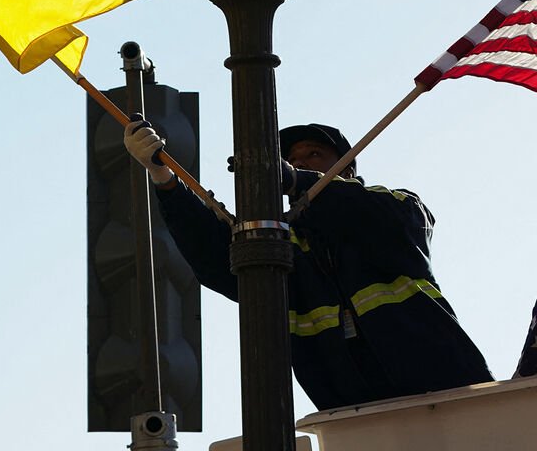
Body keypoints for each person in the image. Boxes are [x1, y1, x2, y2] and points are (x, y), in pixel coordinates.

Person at [124, 119, 493, 409]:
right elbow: (215, 257)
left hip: (452, 395)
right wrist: (165, 180)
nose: (299, 162)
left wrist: (296, 180)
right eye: (291, 159)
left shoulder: (395, 207)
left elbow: (390, 219)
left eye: (314, 154)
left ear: (346, 167)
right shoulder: (279, 247)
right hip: (353, 415)